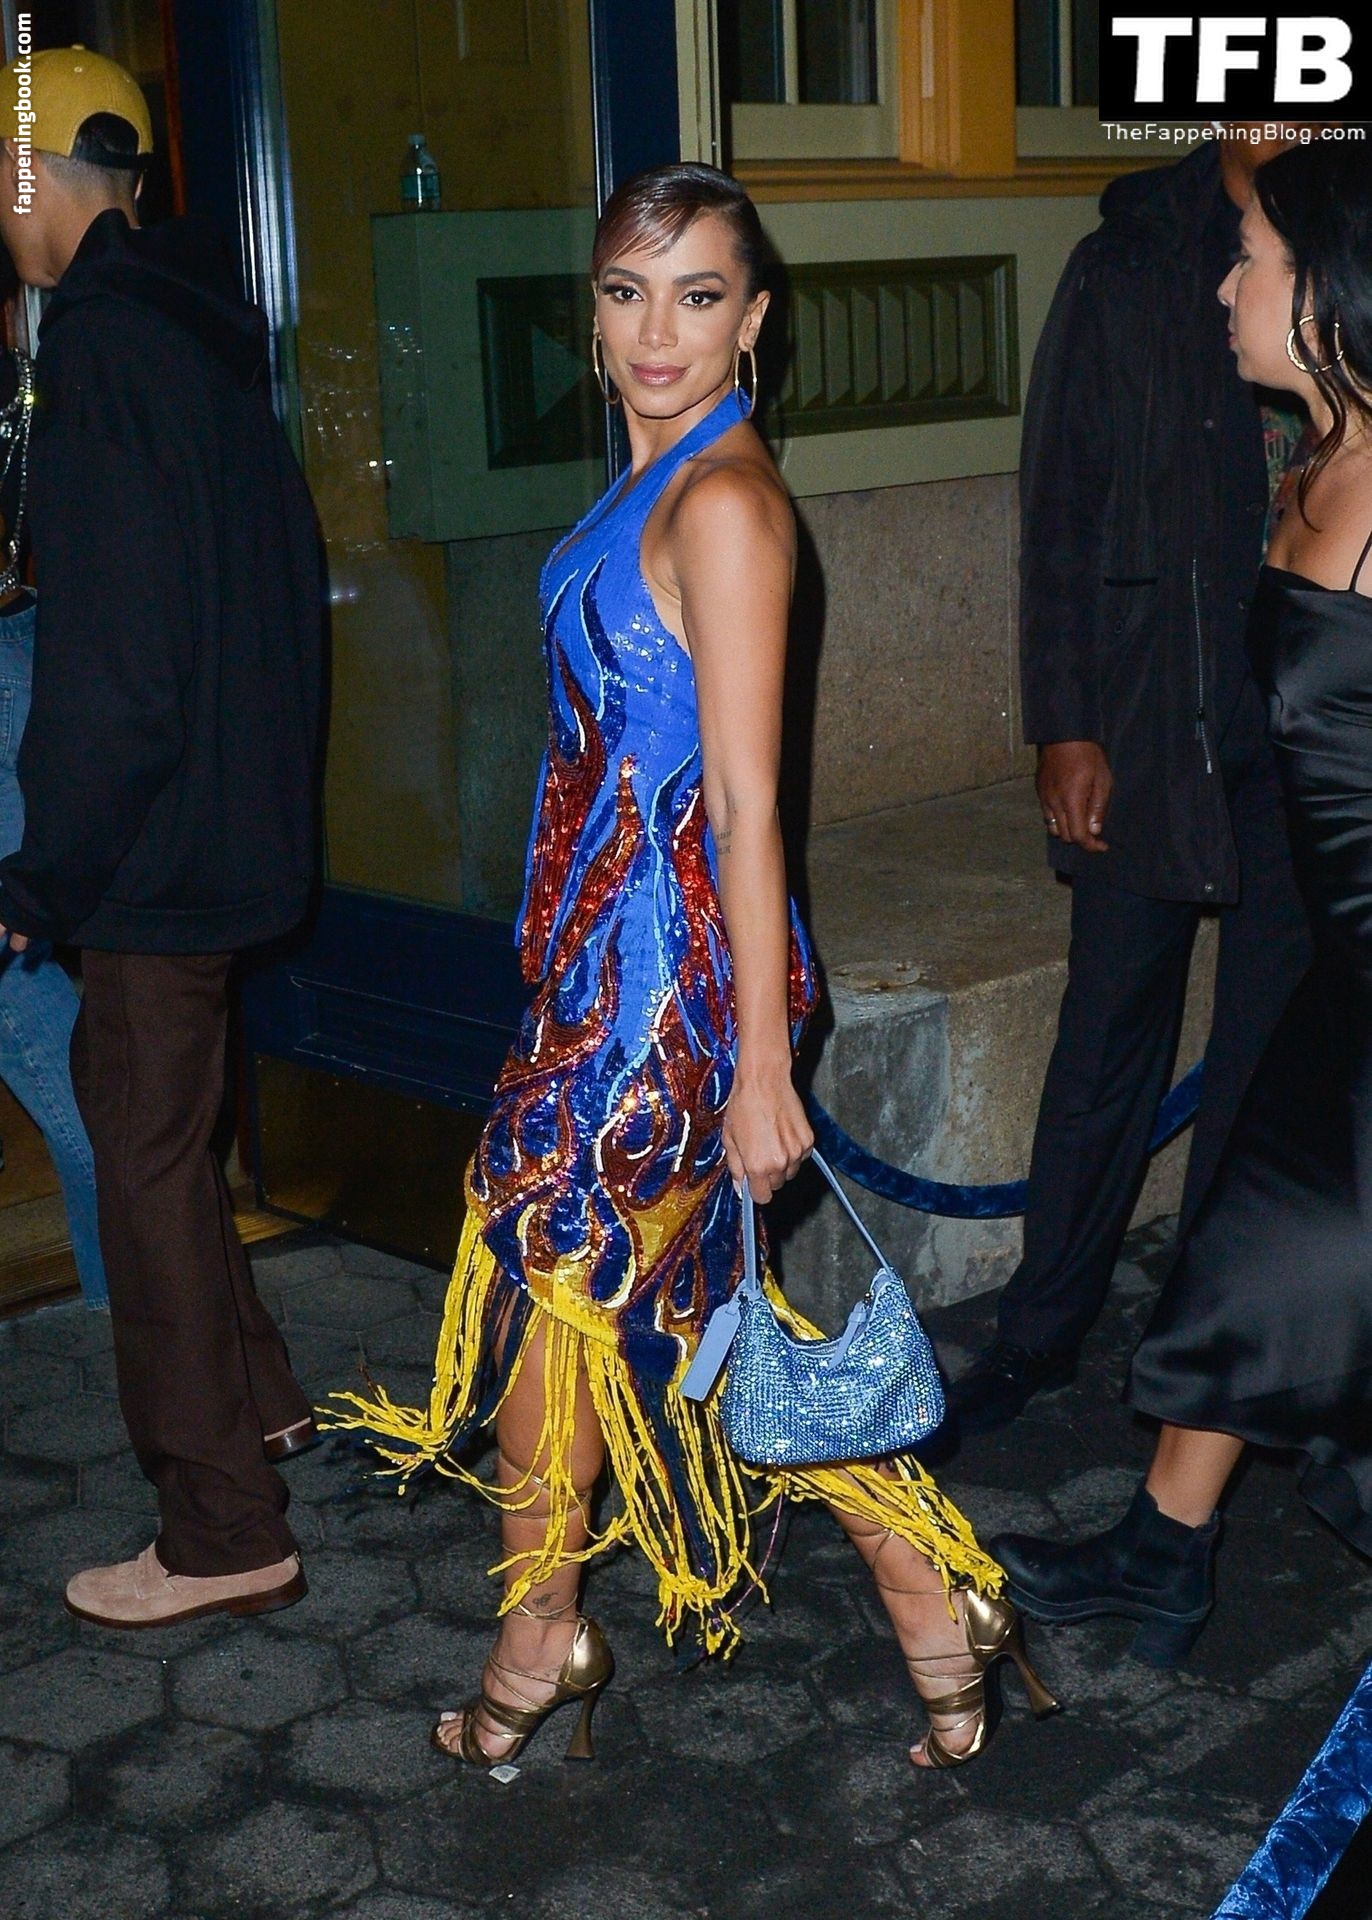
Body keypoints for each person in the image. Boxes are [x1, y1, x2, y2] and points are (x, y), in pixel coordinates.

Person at [330, 163, 1058, 1771]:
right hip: (608, 974)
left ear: (755, 321)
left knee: (566, 1280)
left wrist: (762, 1063)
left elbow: (743, 801)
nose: (658, 332)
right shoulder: (651, 481)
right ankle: (935, 1608)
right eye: (627, 293)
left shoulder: (724, 505)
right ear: (592, 315)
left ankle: (543, 1638)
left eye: (699, 295)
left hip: (666, 1001)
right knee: (675, 1304)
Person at [991, 142, 1372, 1664]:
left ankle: (1170, 1540)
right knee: (1251, 1224)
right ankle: (1158, 1538)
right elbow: (1067, 510)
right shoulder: (1318, 443)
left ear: (1328, 288)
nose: (1229, 285)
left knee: (1291, 1230)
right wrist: (1076, 717)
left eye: (1257, 265)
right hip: (1318, 918)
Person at [0, 48, 325, 1625]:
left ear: (30, 178)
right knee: (171, 1138)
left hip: (156, 850)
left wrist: (41, 875)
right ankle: (259, 1403)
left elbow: (113, 671)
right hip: (226, 820)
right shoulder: (195, 327)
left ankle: (219, 1530)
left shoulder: (106, 349)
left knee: (139, 1155)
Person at [948, 126, 1314, 1436]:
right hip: (1153, 715)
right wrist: (1066, 722)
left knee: (1267, 1049)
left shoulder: (1351, 242)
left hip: (1312, 723)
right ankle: (1041, 1328)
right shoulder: (1127, 261)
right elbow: (1059, 502)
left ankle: (1202, 1340)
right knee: (1109, 1030)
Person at [0, 324, 108, 1311]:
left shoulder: (32, 376)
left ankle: (141, 1333)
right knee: (88, 1112)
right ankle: (140, 1334)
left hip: (28, 627)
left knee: (101, 1106)